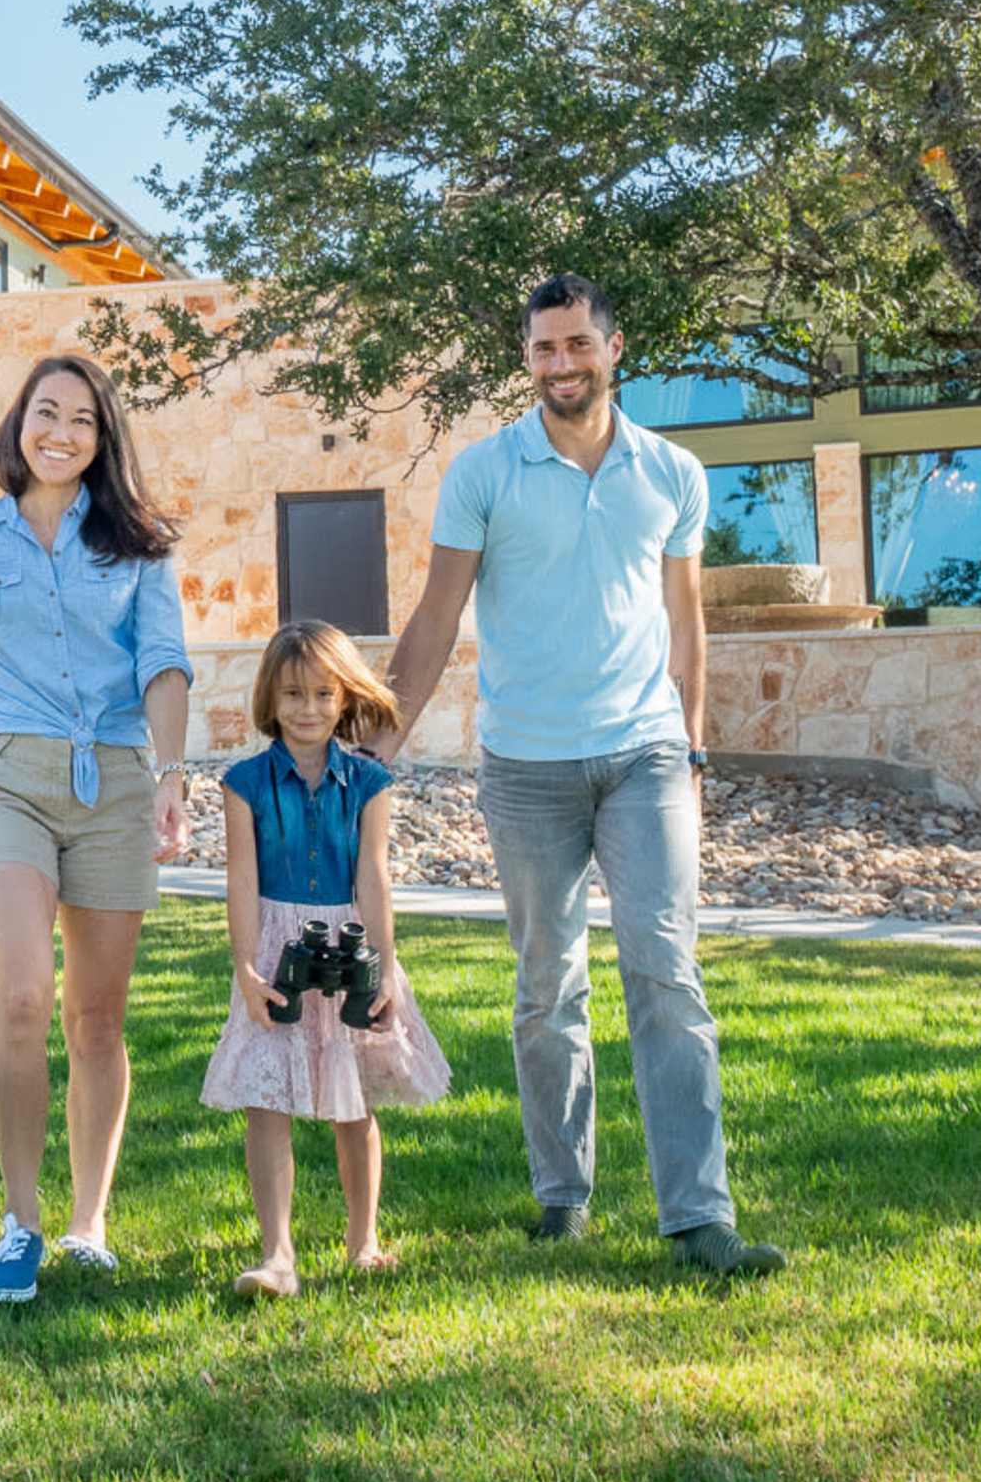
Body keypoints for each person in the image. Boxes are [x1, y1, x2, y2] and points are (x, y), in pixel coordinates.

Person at [385, 274, 787, 1277]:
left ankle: (699, 1215)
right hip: (524, 765)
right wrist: (374, 745)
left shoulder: (671, 473)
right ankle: (562, 1194)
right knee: (545, 986)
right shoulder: (485, 473)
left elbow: (684, 627)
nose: (561, 365)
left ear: (615, 347)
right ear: (527, 361)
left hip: (646, 756)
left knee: (668, 975)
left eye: (577, 346)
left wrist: (693, 751)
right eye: (543, 351)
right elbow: (436, 618)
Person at [0, 351, 194, 1304]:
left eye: (83, 418)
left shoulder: (141, 546)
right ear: (19, 422)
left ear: (103, 437)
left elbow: (164, 663)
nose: (62, 432)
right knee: (26, 993)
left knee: (97, 1015)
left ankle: (89, 1222)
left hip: (116, 779)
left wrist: (169, 775)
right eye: (47, 412)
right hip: (10, 782)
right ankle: (20, 1221)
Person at [201, 619, 450, 1300]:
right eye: (291, 695)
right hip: (273, 946)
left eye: (320, 694)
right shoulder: (244, 782)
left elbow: (374, 874)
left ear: (344, 699)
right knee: (266, 1097)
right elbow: (241, 879)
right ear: (269, 700)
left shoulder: (369, 781)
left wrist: (385, 961)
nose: (307, 709)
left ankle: (363, 1239)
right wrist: (245, 967)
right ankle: (277, 1253)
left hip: (348, 942)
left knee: (353, 1098)